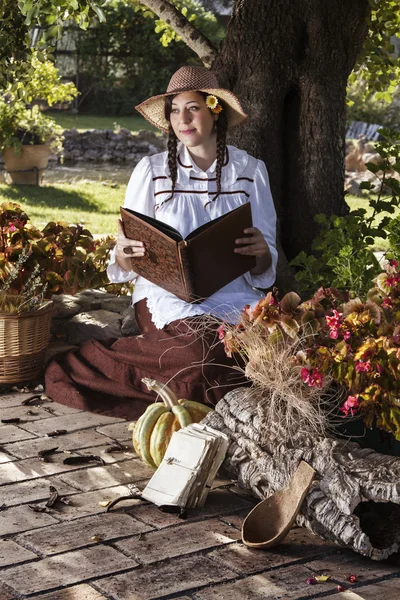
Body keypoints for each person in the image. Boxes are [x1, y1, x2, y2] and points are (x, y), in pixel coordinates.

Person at [45, 66, 278, 420]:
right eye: (174, 110)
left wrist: (261, 253)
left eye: (193, 108)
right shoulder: (151, 171)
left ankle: (194, 397)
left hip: (234, 296)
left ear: (215, 111)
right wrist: (124, 255)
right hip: (165, 298)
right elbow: (124, 261)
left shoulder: (250, 171)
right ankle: (98, 364)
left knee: (259, 353)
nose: (181, 118)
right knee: (201, 354)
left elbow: (265, 265)